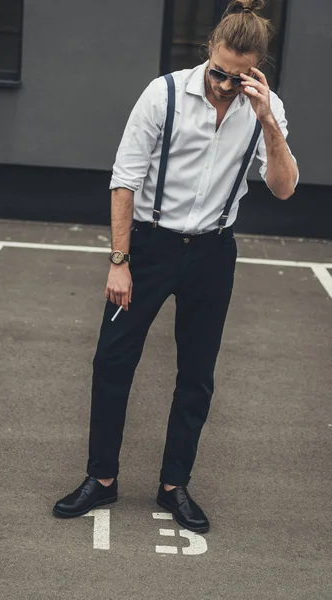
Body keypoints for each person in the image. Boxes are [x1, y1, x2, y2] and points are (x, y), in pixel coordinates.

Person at [53, 0, 298, 532]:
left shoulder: (265, 107)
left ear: (256, 68)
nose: (223, 83)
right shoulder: (162, 95)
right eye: (218, 70)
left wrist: (268, 125)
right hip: (149, 246)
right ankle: (101, 479)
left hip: (213, 253)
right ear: (208, 48)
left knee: (197, 375)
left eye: (237, 77)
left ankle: (173, 486)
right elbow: (125, 179)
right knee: (113, 362)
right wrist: (119, 260)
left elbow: (283, 188)